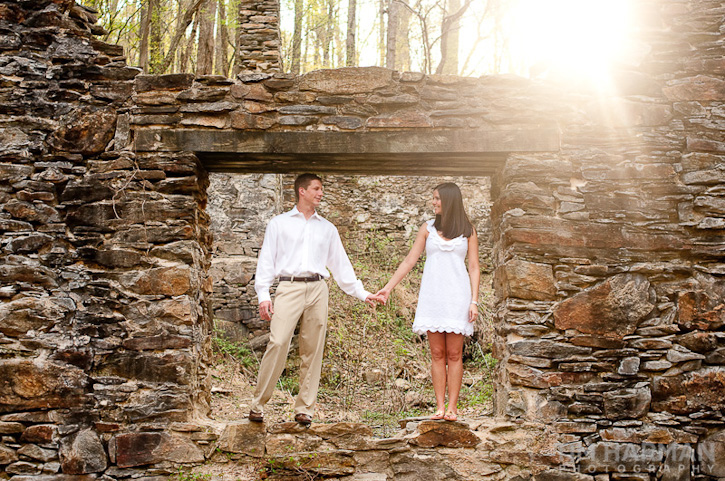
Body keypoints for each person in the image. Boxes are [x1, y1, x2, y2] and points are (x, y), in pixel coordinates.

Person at [250, 173, 379, 426]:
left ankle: (304, 409)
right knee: (277, 342)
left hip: (319, 288)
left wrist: (362, 294)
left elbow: (341, 266)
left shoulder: (327, 228)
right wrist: (263, 294)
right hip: (289, 287)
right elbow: (266, 261)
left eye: (321, 189)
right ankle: (258, 404)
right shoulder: (279, 223)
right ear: (302, 191)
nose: (321, 193)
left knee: (313, 349)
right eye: (316, 189)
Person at [375, 182, 479, 421]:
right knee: (436, 353)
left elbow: (474, 267)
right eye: (433, 198)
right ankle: (440, 406)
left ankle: (453, 407)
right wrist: (388, 288)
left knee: (454, 354)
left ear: (449, 200)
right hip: (433, 296)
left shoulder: (468, 230)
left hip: (457, 297)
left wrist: (474, 301)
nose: (433, 202)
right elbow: (409, 261)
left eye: (437, 198)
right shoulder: (427, 228)